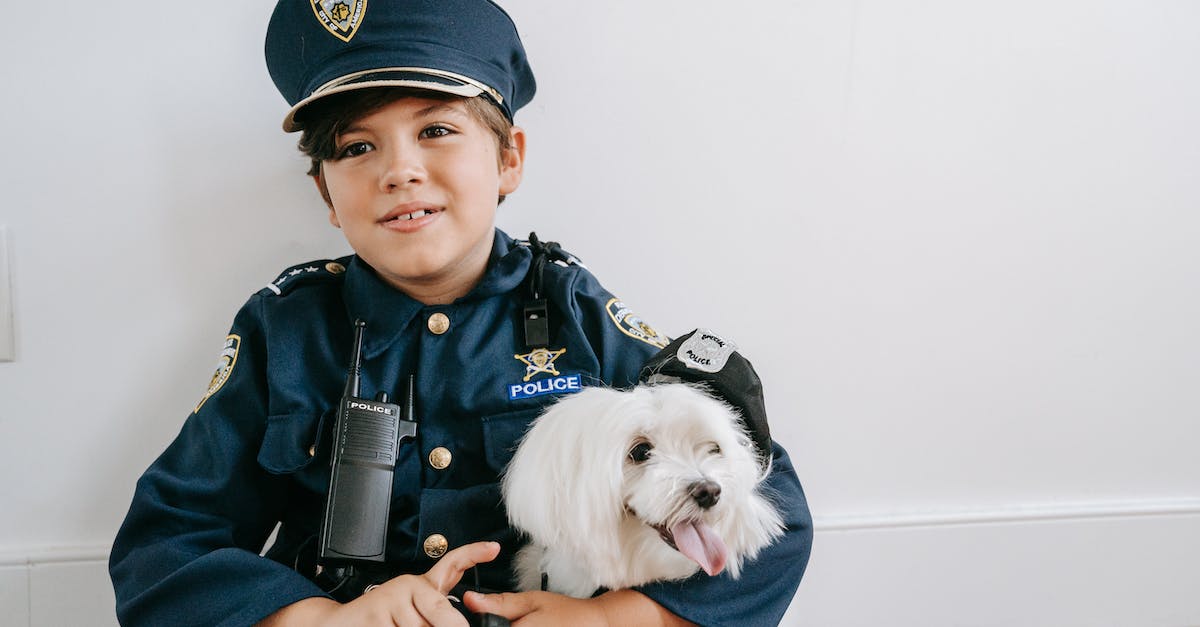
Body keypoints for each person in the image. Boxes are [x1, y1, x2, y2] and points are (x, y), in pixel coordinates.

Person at [108, 1, 813, 625]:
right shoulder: (287, 331)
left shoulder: (575, 312)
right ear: (325, 193)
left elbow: (771, 506)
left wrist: (617, 618)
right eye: (358, 147)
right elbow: (163, 544)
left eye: (437, 130)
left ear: (508, 159)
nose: (399, 171)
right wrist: (319, 619)